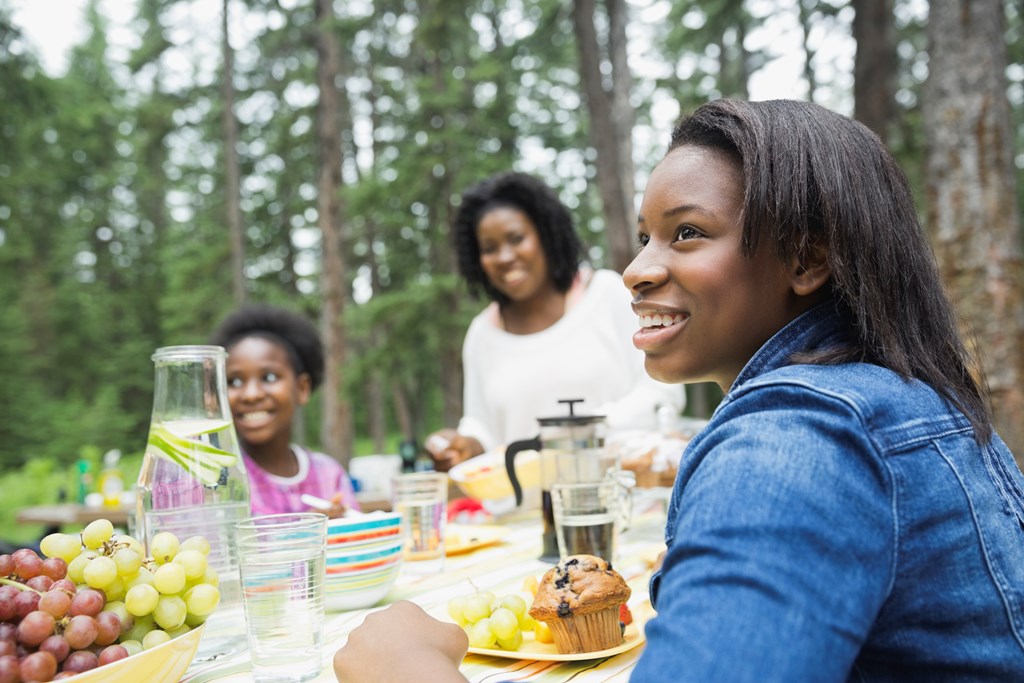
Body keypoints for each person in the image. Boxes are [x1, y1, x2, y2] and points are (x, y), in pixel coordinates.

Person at [332, 99, 1024, 682]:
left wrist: (408, 668)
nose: (636, 269)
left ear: (807, 258)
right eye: (644, 237)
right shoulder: (901, 395)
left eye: (686, 233)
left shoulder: (791, 439)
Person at [426, 171, 683, 471]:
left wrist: (583, 430)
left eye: (516, 238)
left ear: (546, 235)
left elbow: (662, 391)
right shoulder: (482, 334)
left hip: (626, 498)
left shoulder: (605, 294)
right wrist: (462, 445)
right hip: (525, 513)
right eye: (489, 248)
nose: (505, 257)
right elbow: (482, 427)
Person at [210, 304, 359, 518]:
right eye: (233, 381)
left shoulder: (329, 473)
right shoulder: (214, 480)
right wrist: (308, 534)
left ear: (302, 388)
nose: (251, 395)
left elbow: (361, 538)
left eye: (269, 377)